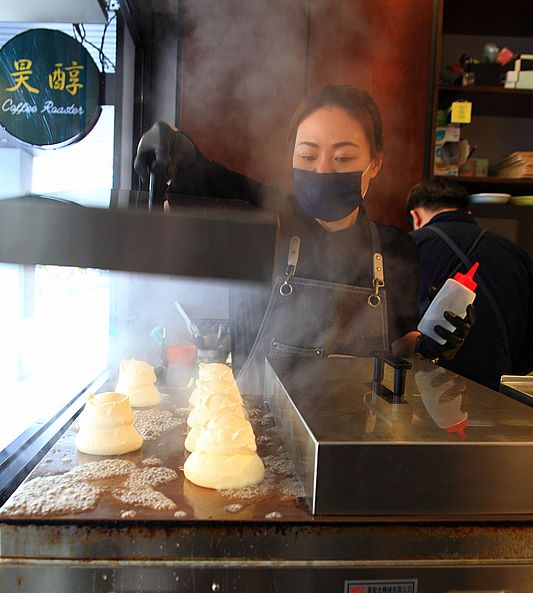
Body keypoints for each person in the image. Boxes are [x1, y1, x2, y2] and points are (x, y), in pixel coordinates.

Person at [135, 85, 474, 392]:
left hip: (356, 434)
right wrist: (178, 147)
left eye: (342, 158)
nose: (323, 170)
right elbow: (208, 176)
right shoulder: (266, 218)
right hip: (258, 434)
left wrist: (432, 341)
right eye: (308, 156)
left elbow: (400, 343)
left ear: (375, 163)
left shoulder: (394, 248)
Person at [407, 177, 533, 390]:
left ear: (415, 216)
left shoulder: (408, 247)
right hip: (498, 396)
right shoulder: (517, 255)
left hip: (425, 395)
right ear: (468, 213)